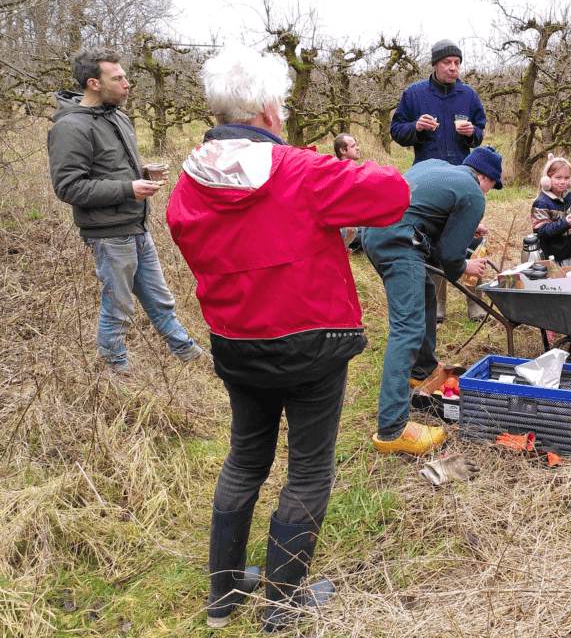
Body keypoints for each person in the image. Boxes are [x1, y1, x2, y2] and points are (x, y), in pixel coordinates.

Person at [165, 46, 409, 631]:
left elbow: (181, 231)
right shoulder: (301, 170)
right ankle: (281, 604)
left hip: (236, 341)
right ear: (270, 111)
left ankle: (223, 598)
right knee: (307, 471)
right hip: (312, 342)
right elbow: (390, 194)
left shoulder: (191, 179)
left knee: (245, 459)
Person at [47, 47, 203, 373]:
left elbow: (111, 170)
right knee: (118, 309)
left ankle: (192, 359)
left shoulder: (117, 115)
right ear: (93, 83)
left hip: (137, 227)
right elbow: (69, 187)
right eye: (117, 78)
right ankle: (116, 378)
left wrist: (142, 174)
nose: (127, 83)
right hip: (108, 234)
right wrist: (128, 189)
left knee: (161, 301)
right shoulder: (70, 127)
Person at [362, 146, 504, 456]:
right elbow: (450, 258)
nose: (490, 192)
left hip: (373, 232)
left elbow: (426, 211)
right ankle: (392, 427)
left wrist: (463, 225)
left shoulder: (436, 165)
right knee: (407, 329)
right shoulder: (474, 194)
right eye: (493, 185)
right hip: (399, 240)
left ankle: (422, 369)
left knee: (425, 290)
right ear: (485, 177)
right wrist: (466, 266)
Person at [390, 38, 487, 322]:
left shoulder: (468, 95)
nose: (453, 68)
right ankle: (439, 306)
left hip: (465, 178)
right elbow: (397, 129)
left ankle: (475, 304)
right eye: (448, 63)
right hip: (429, 181)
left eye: (457, 63)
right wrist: (415, 128)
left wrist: (471, 134)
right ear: (435, 64)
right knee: (431, 242)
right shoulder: (415, 93)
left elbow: (480, 129)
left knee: (470, 238)